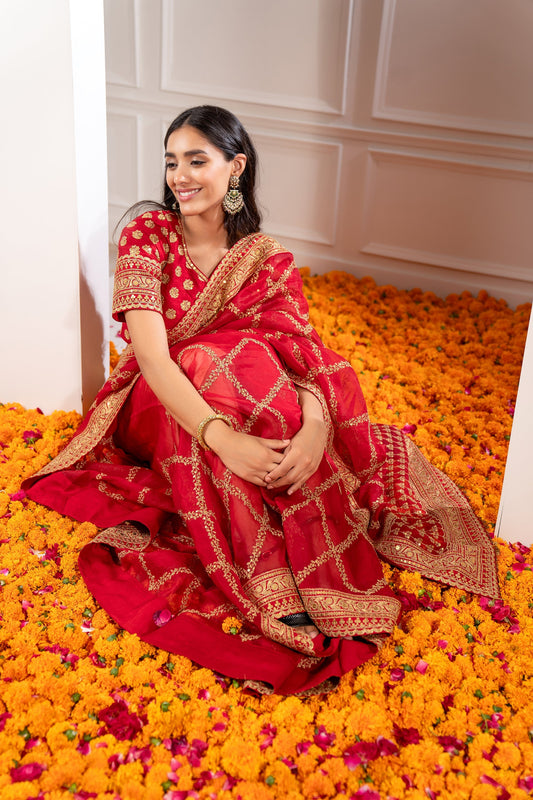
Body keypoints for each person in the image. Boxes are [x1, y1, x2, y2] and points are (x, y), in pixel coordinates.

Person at [24, 105, 499, 695]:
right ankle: (272, 572)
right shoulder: (148, 233)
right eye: (171, 162)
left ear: (236, 167)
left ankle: (298, 548)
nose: (179, 175)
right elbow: (152, 356)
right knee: (209, 358)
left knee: (254, 362)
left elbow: (305, 355)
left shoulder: (266, 258)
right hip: (159, 404)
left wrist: (315, 432)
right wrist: (224, 438)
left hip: (247, 401)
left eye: (197, 160)